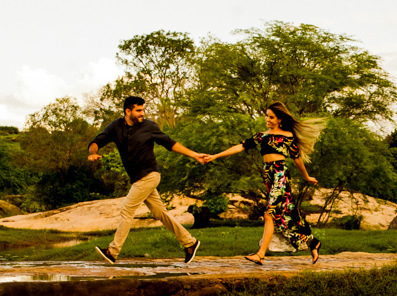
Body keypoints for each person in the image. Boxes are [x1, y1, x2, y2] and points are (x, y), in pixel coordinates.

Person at [201, 101, 324, 264]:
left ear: (279, 119)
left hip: (280, 174)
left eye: (271, 117)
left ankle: (260, 254)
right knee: (286, 215)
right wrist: (215, 156)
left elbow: (297, 159)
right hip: (269, 176)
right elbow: (240, 147)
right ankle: (313, 242)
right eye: (267, 116)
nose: (267, 119)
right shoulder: (262, 136)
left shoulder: (288, 137)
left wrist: (307, 177)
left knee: (269, 214)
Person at [88, 96, 203, 264]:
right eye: (138, 110)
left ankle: (113, 251)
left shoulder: (149, 127)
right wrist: (92, 153)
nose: (142, 113)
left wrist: (194, 154)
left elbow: (170, 143)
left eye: (143, 110)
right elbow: (97, 141)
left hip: (149, 175)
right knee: (159, 213)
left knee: (127, 210)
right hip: (137, 179)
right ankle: (190, 242)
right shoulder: (116, 127)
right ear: (128, 111)